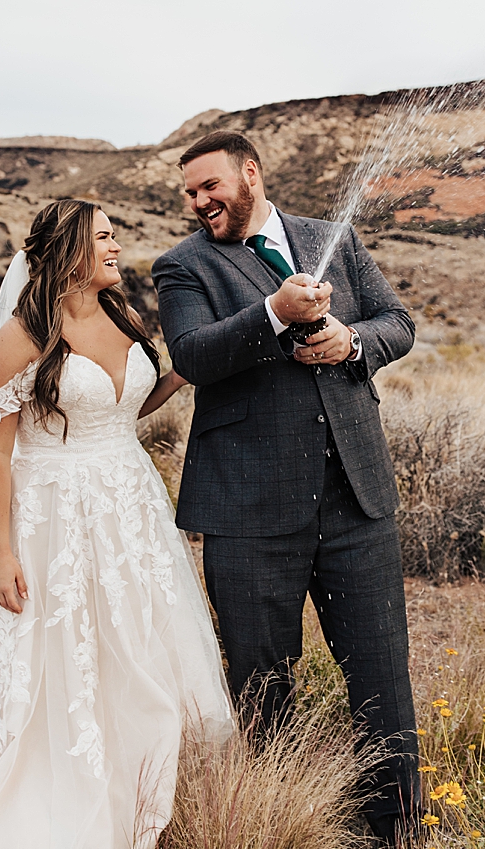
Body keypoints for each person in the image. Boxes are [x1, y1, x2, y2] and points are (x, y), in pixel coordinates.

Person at [0, 198, 233, 849]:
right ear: (71, 249)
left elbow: (122, 406)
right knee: (69, 654)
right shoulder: (20, 338)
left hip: (129, 507)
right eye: (105, 235)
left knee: (140, 645)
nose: (117, 245)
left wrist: (182, 375)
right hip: (52, 517)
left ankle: (142, 780)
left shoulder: (120, 313)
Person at [150, 129, 418, 844]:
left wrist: (351, 342)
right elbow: (192, 356)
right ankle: (283, 822)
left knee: (382, 670)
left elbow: (399, 322)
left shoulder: (334, 237)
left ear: (250, 172)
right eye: (190, 193)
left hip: (356, 498)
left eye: (211, 186)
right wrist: (276, 314)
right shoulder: (182, 266)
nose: (200, 201)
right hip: (247, 509)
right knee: (263, 684)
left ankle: (397, 826)